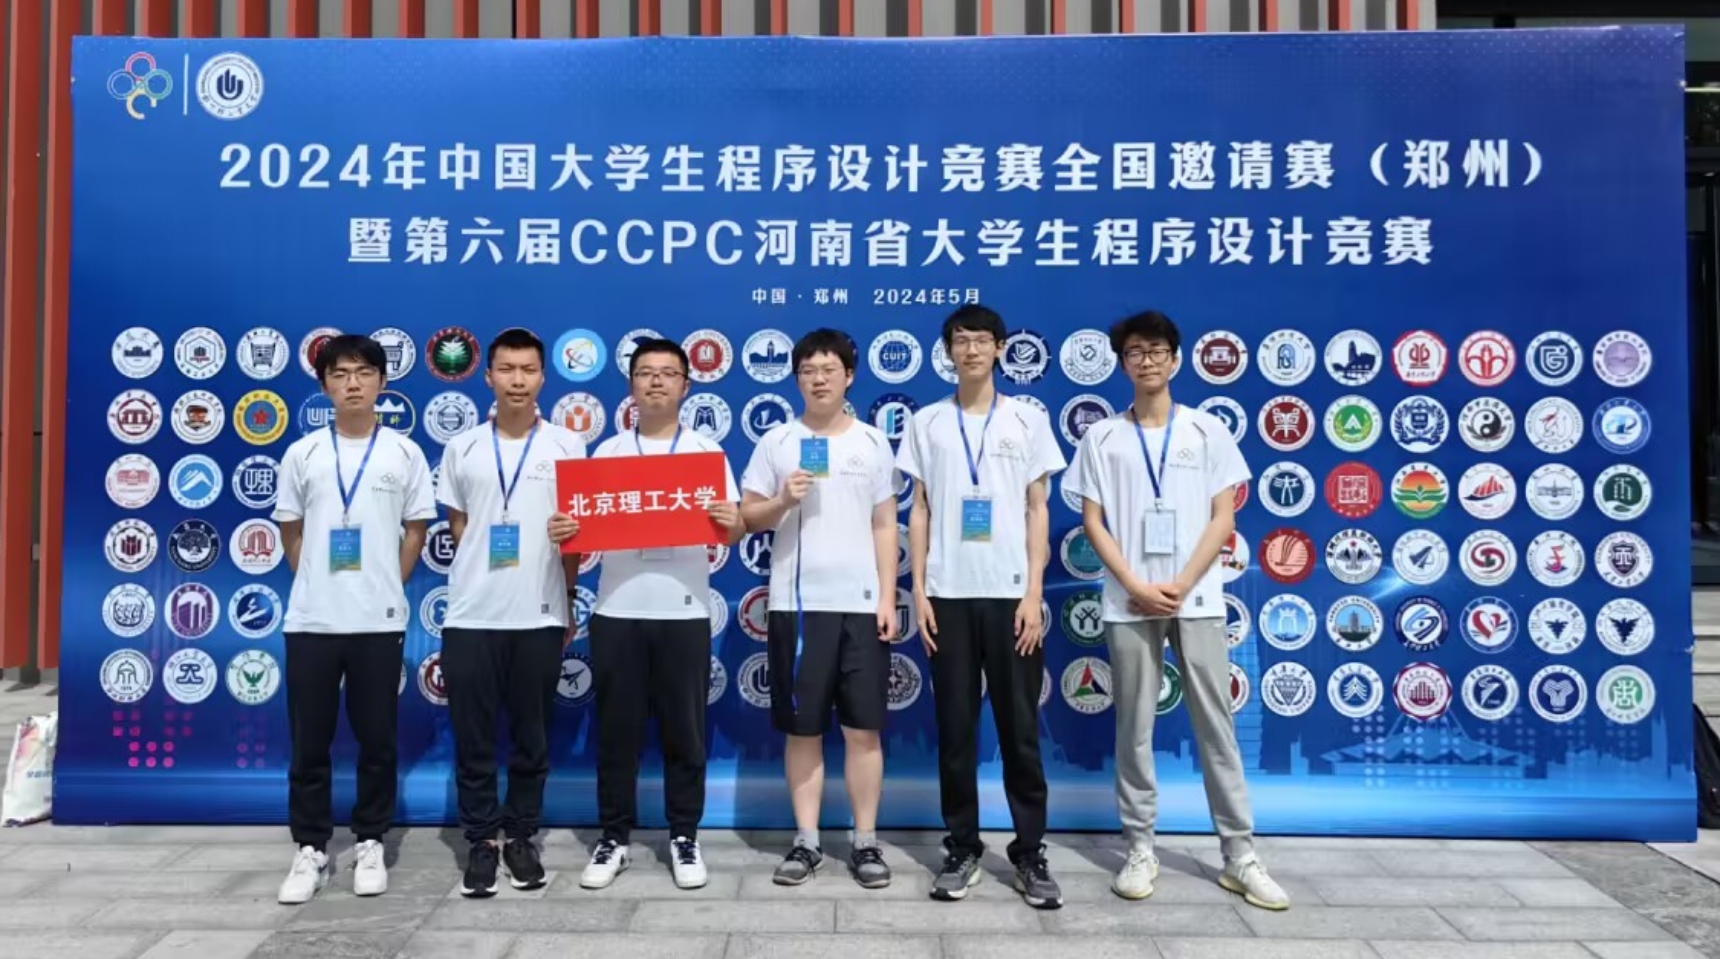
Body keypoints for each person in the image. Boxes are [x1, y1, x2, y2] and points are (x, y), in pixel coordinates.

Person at [1068, 309, 1289, 911]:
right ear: (1122, 363)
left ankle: (1240, 856)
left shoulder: (1207, 431)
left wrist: (1184, 582)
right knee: (1134, 728)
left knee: (1217, 727)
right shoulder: (1102, 437)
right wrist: (1134, 584)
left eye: (1156, 351)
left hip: (1199, 599)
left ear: (1175, 358)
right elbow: (1093, 521)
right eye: (1135, 352)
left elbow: (1224, 517)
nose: (1146, 361)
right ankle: (1141, 848)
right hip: (1128, 601)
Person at [895, 304, 1066, 909]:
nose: (971, 350)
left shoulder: (1027, 419)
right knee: (956, 731)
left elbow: (1038, 508)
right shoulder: (927, 423)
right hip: (947, 595)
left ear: (1000, 348)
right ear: (947, 351)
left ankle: (1030, 852)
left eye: (981, 340)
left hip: (1011, 595)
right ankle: (963, 847)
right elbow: (918, 509)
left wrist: (1034, 592)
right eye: (961, 340)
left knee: (1021, 732)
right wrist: (919, 590)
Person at [572, 336, 745, 891]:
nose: (656, 382)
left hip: (683, 610)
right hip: (617, 610)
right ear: (631, 385)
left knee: (684, 733)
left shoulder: (706, 454)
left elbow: (731, 530)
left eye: (668, 373)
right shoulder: (607, 454)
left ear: (685, 386)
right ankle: (614, 837)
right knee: (616, 733)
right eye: (646, 372)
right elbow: (582, 529)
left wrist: (732, 520)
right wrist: (568, 529)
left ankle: (684, 835)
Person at [272, 333, 436, 905]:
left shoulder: (404, 453)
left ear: (382, 382)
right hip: (312, 621)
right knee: (309, 743)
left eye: (364, 373)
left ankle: (370, 840)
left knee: (377, 740)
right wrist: (318, 582)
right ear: (324, 385)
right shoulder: (303, 453)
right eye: (340, 374)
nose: (353, 384)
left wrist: (385, 583)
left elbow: (416, 531)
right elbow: (291, 532)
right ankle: (311, 848)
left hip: (377, 621)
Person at [738, 329, 898, 889]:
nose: (819, 379)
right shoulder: (777, 441)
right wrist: (783, 499)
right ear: (796, 379)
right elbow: (747, 517)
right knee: (802, 731)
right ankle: (806, 841)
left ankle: (865, 840)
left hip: (861, 607)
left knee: (863, 730)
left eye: (829, 369)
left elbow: (885, 524)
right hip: (797, 606)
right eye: (808, 370)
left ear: (849, 376)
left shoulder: (873, 442)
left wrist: (887, 597)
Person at [436, 328, 588, 898]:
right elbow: (459, 527)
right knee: (473, 737)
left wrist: (566, 599)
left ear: (543, 377)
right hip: (472, 613)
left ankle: (521, 835)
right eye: (506, 369)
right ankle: (481, 840)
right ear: (489, 376)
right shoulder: (463, 448)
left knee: (532, 737)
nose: (517, 380)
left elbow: (575, 539)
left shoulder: (568, 447)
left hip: (540, 613)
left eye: (528, 370)